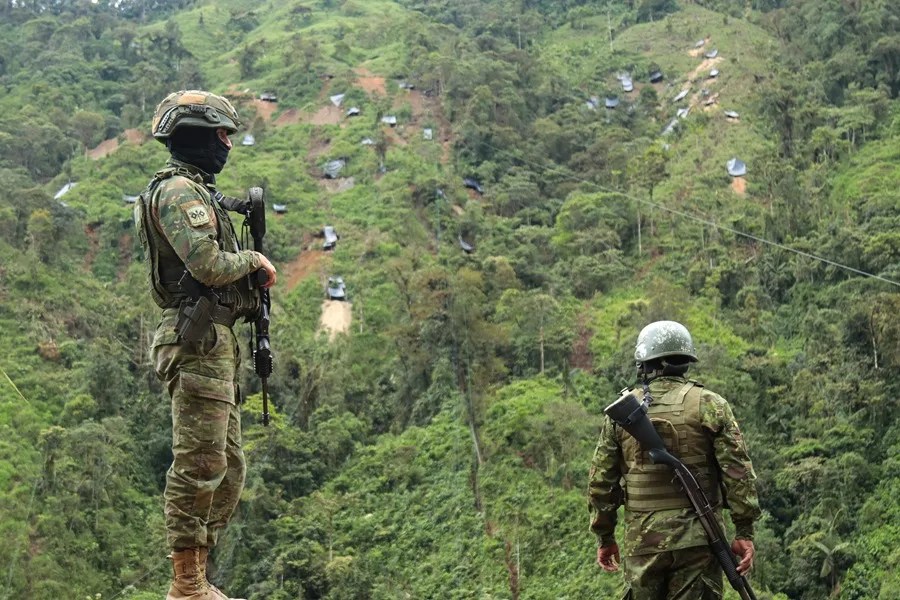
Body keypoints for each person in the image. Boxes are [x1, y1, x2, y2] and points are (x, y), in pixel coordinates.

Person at [134, 90, 276, 600]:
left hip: (216, 343)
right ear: (193, 134)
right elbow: (208, 265)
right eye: (220, 134)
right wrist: (255, 262)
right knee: (199, 463)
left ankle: (197, 573)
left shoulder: (199, 191)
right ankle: (186, 585)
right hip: (196, 341)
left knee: (229, 469)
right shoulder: (176, 192)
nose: (226, 145)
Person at [588, 320, 760, 599]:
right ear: (685, 361)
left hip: (643, 543)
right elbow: (738, 473)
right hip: (700, 539)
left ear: (643, 363)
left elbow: (601, 483)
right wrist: (744, 531)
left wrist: (605, 537)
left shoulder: (620, 416)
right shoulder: (711, 404)